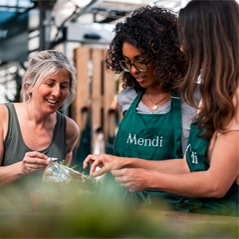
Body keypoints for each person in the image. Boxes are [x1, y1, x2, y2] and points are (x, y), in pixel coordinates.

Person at [84, 0, 239, 217]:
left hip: (222, 223)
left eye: (187, 38)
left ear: (207, 38)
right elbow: (189, 165)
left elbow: (216, 184)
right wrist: (125, 162)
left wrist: (147, 179)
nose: (182, 48)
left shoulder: (232, 97)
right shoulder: (215, 96)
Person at [100, 6, 200, 205]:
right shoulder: (126, 98)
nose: (134, 70)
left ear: (164, 57)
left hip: (178, 206)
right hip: (127, 206)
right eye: (127, 62)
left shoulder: (196, 98)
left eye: (140, 61)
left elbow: (197, 166)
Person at [0, 50, 79, 194]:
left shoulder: (69, 129)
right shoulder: (3, 117)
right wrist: (21, 168)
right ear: (29, 84)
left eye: (63, 86)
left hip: (49, 216)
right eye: (50, 84)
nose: (57, 93)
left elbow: (62, 185)